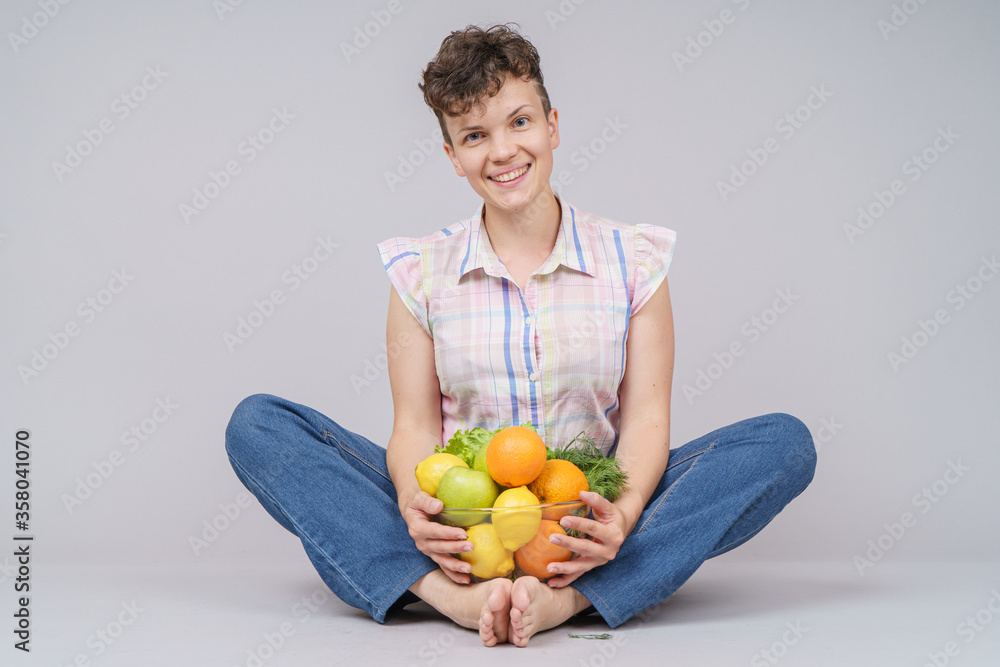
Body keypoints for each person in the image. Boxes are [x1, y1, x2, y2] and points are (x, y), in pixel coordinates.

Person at [224, 23, 817, 648]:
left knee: (783, 444)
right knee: (258, 426)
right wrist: (415, 509)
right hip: (466, 524)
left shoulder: (634, 260)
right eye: (474, 135)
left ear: (552, 126)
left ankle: (574, 593)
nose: (503, 151)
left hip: (586, 518)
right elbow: (415, 428)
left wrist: (622, 516)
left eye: (520, 122)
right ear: (453, 156)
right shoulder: (419, 271)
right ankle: (449, 591)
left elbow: (646, 421)